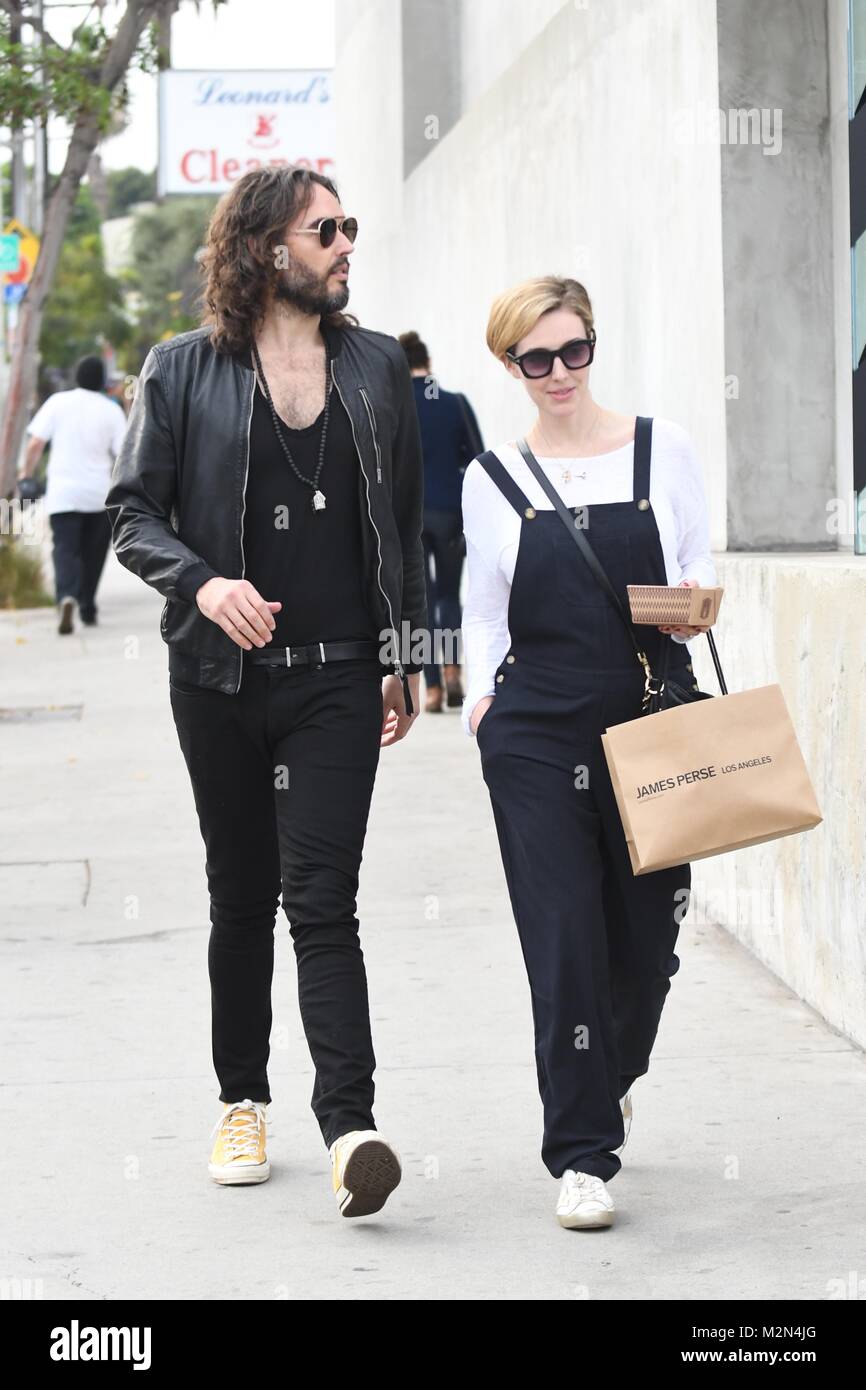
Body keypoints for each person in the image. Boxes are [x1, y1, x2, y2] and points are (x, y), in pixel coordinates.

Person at [105, 166, 427, 1219]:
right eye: (323, 228)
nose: (345, 244)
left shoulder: (377, 367)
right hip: (218, 678)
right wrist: (203, 582)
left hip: (336, 676)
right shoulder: (182, 371)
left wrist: (403, 653)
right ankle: (241, 1098)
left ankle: (351, 1128)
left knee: (322, 903)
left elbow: (409, 525)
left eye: (348, 226)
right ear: (264, 248)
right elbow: (131, 515)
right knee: (240, 897)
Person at [461, 276, 716, 1231]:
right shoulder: (490, 479)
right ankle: (580, 1152)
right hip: (534, 733)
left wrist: (686, 600)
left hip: (651, 718)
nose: (559, 373)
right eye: (537, 359)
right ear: (511, 366)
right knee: (562, 932)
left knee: (648, 939)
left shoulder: (662, 449)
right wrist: (483, 708)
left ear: (593, 347)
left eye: (574, 352)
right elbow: (482, 606)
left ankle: (613, 1073)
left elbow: (699, 565)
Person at [399, 331, 483, 712]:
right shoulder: (454, 404)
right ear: (428, 363)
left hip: (410, 518)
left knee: (423, 601)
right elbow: (479, 460)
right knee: (449, 596)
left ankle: (431, 688)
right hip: (451, 514)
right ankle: (452, 669)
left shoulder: (395, 408)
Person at [19, 354, 127, 634]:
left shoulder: (58, 402)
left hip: (63, 495)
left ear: (76, 376)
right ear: (103, 381)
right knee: (94, 554)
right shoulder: (111, 410)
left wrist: (26, 475)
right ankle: (87, 606)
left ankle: (66, 595)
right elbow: (124, 455)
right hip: (99, 495)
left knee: (65, 549)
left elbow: (35, 444)